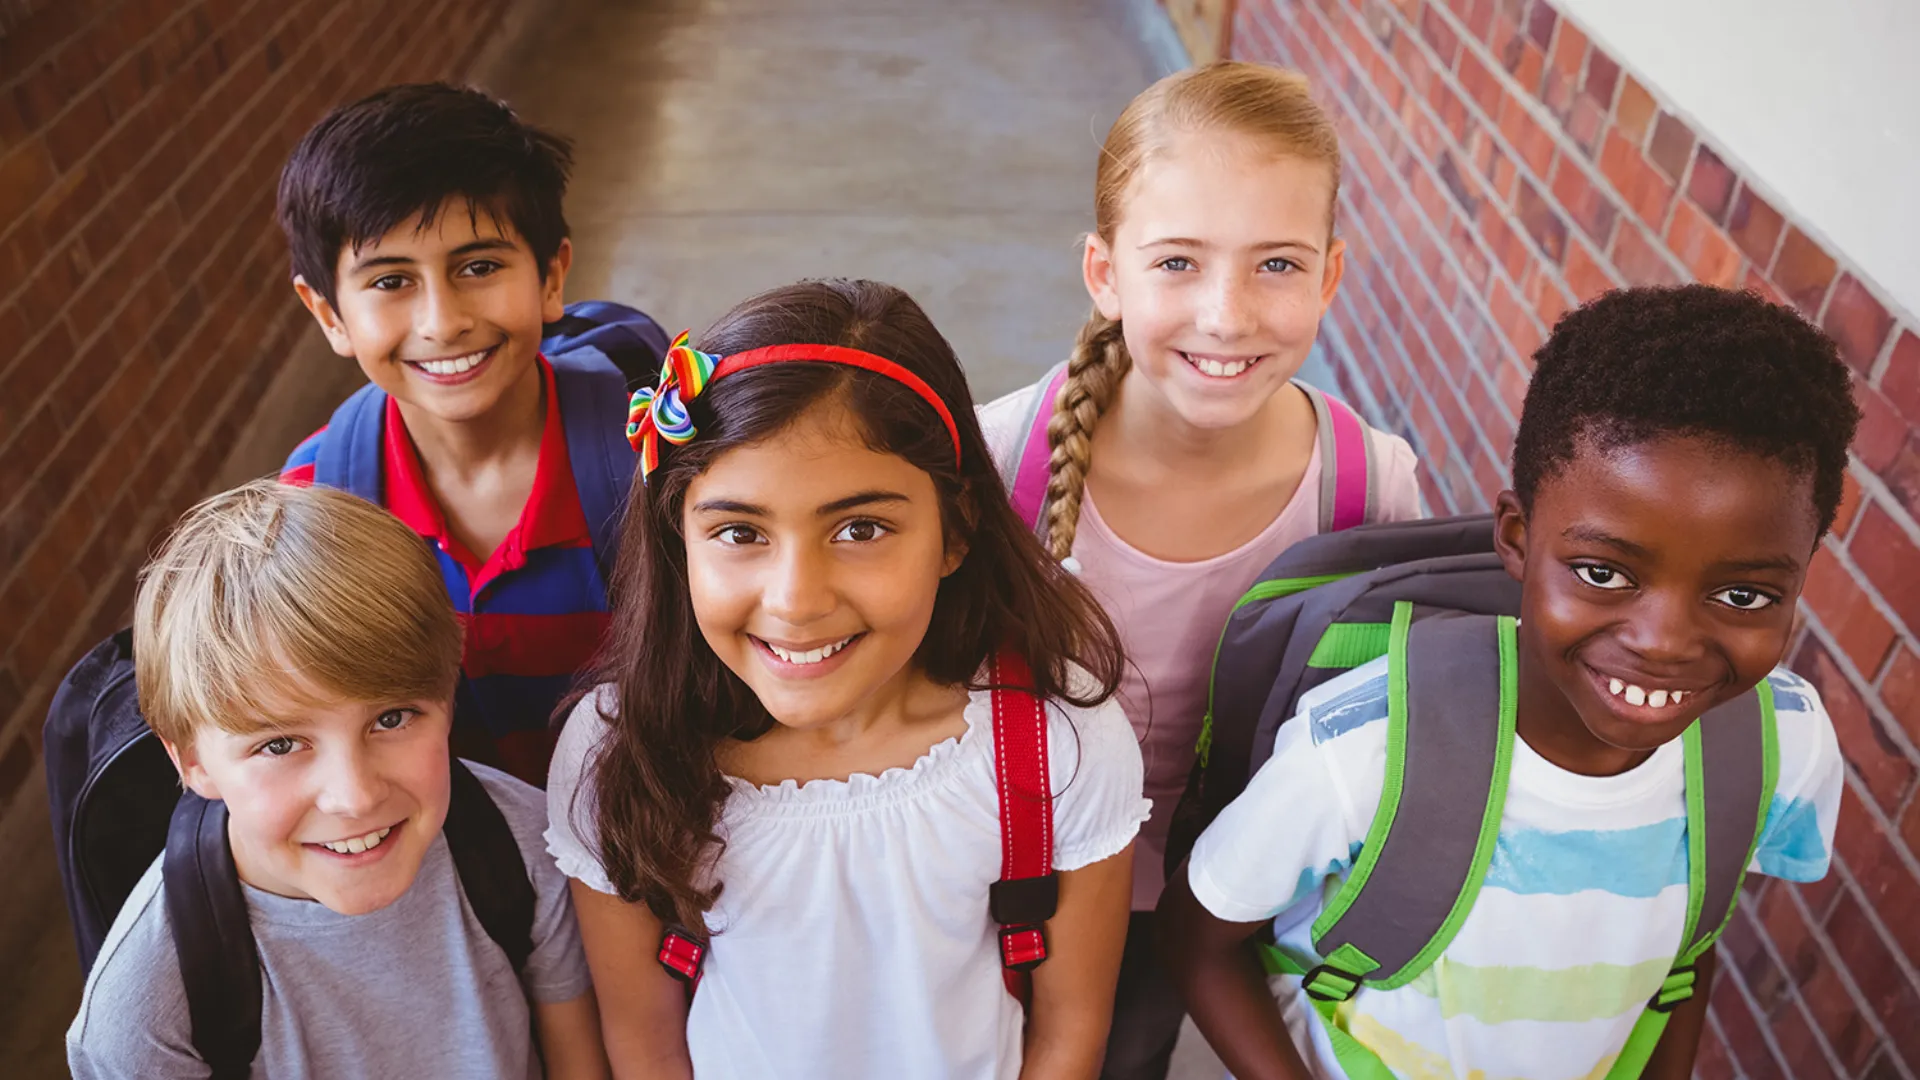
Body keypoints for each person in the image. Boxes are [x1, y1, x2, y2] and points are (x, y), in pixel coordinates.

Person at [1158, 285, 1856, 1078]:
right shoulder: (1367, 752)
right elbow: (1196, 941)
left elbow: (1684, 951)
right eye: (1603, 571)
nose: (1664, 644)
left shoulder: (1777, 749)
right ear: (1517, 539)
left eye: (1743, 595)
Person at [545, 279, 1150, 1078]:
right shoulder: (621, 750)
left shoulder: (1058, 746)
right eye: (738, 531)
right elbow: (643, 1042)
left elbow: (1070, 1033)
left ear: (955, 530)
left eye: (860, 528)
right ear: (678, 539)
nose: (797, 600)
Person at [977, 61, 1423, 1077]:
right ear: (1104, 272)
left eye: (1275, 265)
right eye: (1178, 262)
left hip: (1211, 898)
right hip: (1002, 880)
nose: (1227, 315)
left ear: (1331, 274)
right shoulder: (996, 460)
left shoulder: (1368, 486)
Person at [66, 480, 604, 1079]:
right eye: (279, 744)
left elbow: (577, 1060)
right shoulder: (145, 1012)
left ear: (448, 697)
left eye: (391, 718)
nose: (355, 796)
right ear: (193, 762)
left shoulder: (527, 846)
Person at [277, 83, 640, 785]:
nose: (442, 321)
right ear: (328, 314)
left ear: (551, 276)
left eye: (479, 267)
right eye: (390, 282)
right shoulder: (318, 506)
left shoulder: (651, 456)